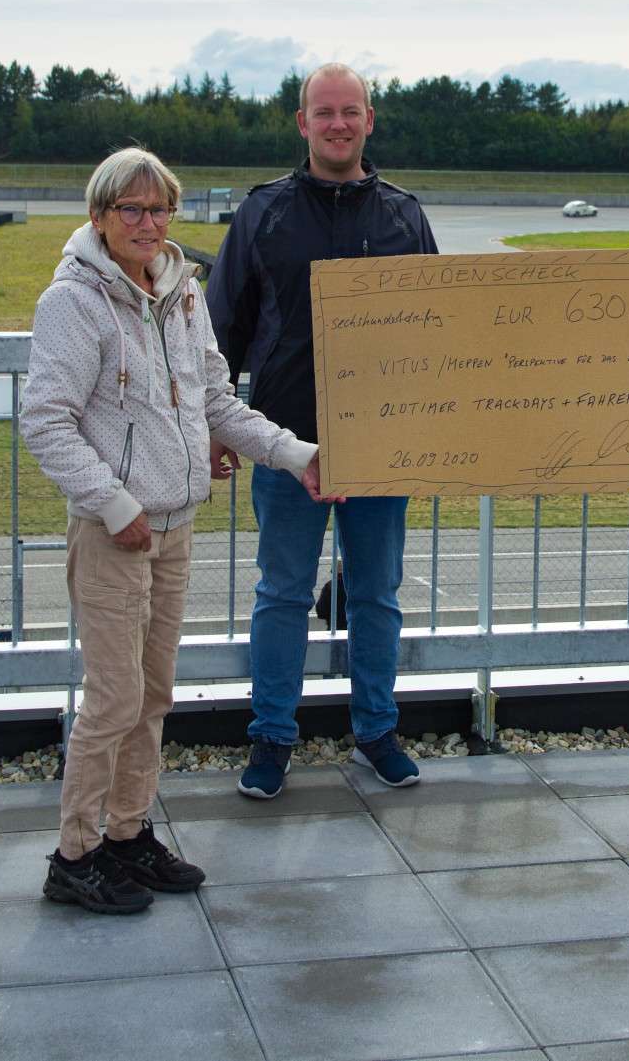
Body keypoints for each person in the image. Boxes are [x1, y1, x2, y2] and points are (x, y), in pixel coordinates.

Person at [22, 146, 327, 912]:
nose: (148, 222)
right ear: (100, 216)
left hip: (176, 527)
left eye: (159, 208)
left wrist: (296, 454)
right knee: (113, 698)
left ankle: (128, 832)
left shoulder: (182, 292)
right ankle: (75, 853)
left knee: (153, 693)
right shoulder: (73, 302)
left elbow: (216, 401)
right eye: (131, 208)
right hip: (113, 534)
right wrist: (114, 505)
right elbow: (47, 422)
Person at [206, 63, 439, 798]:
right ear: (302, 122)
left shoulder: (405, 216)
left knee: (376, 592)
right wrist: (217, 424)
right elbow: (223, 324)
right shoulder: (263, 212)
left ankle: (376, 730)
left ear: (370, 120)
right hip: (284, 440)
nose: (338, 124)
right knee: (282, 591)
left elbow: (440, 326)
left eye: (350, 111)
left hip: (381, 443)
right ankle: (272, 734)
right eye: (324, 112)